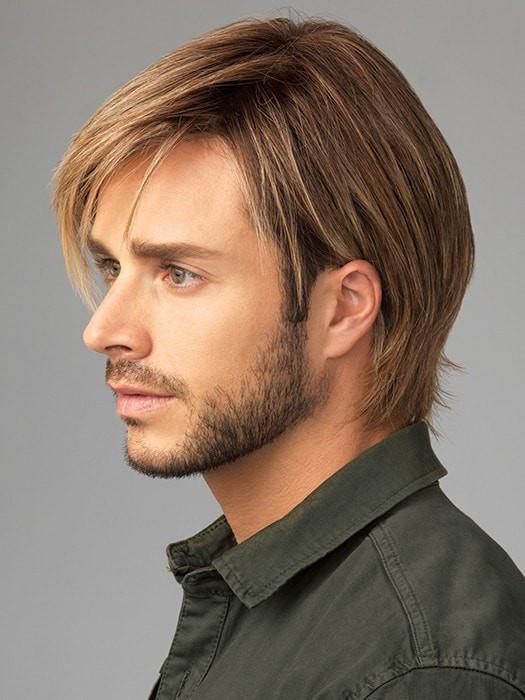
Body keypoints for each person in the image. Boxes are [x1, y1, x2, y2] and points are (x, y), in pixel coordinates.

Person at [51, 13, 525, 700]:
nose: (103, 329)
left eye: (178, 273)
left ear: (343, 309)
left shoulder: (421, 669)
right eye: (111, 267)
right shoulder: (280, 605)